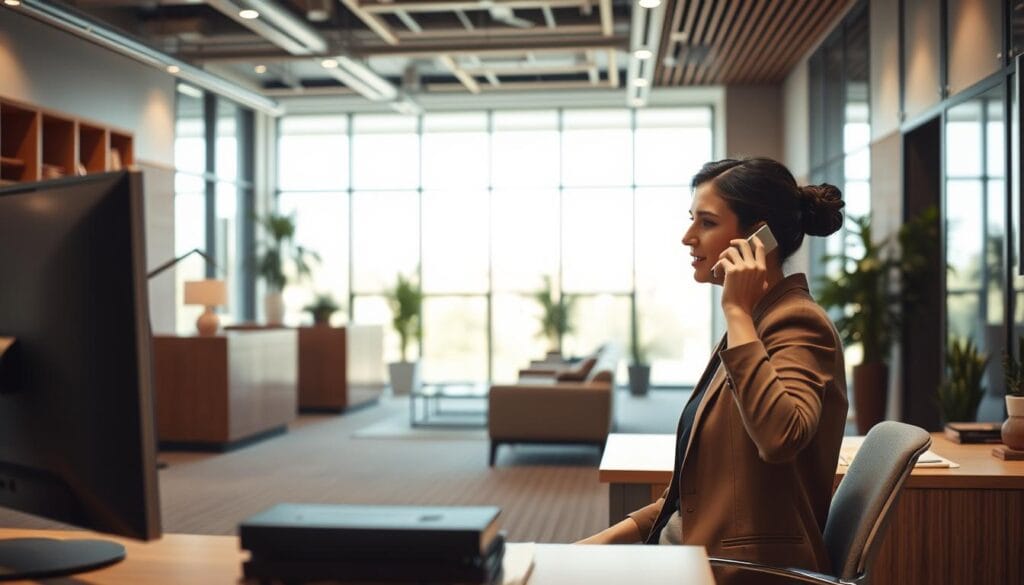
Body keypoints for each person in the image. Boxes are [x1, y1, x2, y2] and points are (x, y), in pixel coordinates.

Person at [578, 157, 849, 585]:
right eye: (692, 220)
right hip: (691, 554)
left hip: (735, 571)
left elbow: (781, 437)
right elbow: (700, 494)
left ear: (758, 239)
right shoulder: (753, 325)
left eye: (706, 222)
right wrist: (605, 540)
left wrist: (737, 311)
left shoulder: (795, 321)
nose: (688, 238)